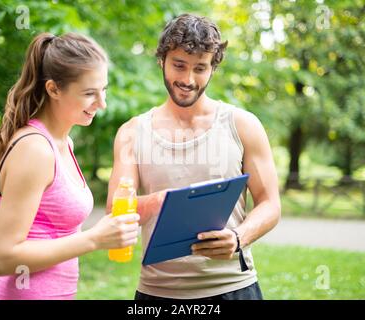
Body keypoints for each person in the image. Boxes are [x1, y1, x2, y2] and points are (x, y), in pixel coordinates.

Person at [107, 14, 281, 300]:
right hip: (158, 293)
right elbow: (116, 211)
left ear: (213, 68)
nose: (188, 80)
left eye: (200, 68)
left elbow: (270, 203)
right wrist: (166, 202)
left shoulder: (243, 125)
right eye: (179, 65)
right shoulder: (132, 132)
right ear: (162, 60)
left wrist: (239, 238)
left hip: (233, 289)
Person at [0, 32, 139, 300]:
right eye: (90, 93)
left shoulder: (63, 144)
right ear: (53, 89)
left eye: (104, 90)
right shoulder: (35, 150)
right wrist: (93, 239)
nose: (102, 104)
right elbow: (0, 258)